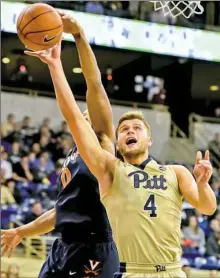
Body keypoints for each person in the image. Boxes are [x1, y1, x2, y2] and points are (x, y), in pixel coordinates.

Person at [7, 16, 216, 278]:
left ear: (149, 139)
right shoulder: (103, 165)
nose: (129, 130)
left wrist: (203, 183)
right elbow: (72, 115)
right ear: (118, 141)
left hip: (115, 253)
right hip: (77, 248)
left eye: (137, 128)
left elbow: (93, 86)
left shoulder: (161, 169)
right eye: (124, 129)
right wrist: (55, 66)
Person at [1, 14, 119, 278]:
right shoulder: (72, 156)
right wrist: (21, 231)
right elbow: (61, 213)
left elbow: (94, 83)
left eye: (89, 112)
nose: (85, 113)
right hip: (63, 245)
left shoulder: (103, 144)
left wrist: (78, 36)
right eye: (84, 113)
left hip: (94, 249)